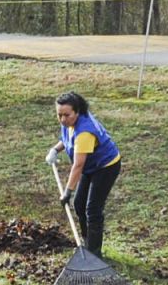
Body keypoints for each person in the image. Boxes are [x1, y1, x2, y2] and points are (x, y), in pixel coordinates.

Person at [45, 91, 121, 257]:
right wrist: (56, 149)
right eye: (60, 115)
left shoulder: (85, 132)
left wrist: (67, 191)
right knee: (80, 204)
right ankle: (87, 242)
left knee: (93, 209)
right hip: (91, 166)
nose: (63, 119)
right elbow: (67, 138)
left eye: (67, 115)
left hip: (105, 167)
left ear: (77, 112)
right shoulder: (69, 122)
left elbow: (78, 165)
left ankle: (94, 253)